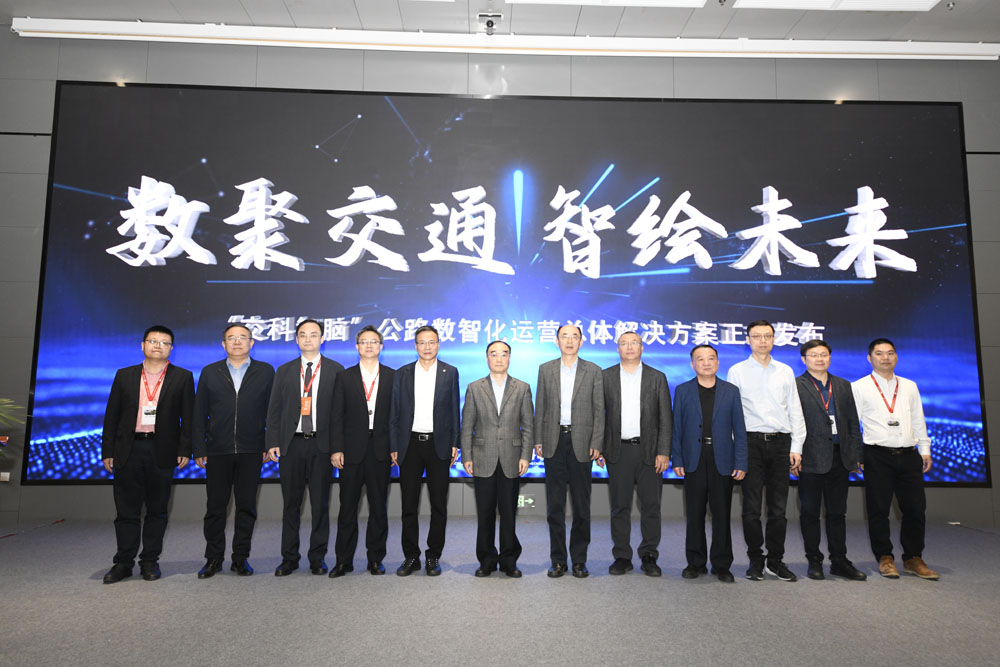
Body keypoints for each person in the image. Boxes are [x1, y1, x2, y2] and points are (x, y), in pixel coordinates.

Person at [100, 325, 194, 584]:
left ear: (171, 348)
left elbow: (188, 418)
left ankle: (150, 561)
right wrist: (108, 450)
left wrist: (185, 449)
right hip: (128, 449)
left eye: (164, 342)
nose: (158, 346)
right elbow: (111, 415)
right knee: (126, 510)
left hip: (162, 450)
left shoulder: (183, 377)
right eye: (153, 341)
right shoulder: (124, 375)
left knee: (157, 510)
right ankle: (123, 562)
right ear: (142, 345)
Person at [192, 323, 275, 578]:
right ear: (223, 344)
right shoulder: (210, 371)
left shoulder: (265, 371)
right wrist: (199, 447)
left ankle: (240, 558)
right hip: (218, 450)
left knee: (246, 507)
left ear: (252, 343)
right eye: (231, 338)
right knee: (215, 508)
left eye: (242, 337)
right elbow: (199, 413)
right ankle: (213, 558)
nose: (237, 342)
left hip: (252, 450)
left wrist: (267, 443)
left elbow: (272, 413)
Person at [851, 338, 938, 580]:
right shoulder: (859, 387)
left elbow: (918, 418)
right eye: (879, 353)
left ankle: (913, 558)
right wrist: (857, 454)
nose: (885, 357)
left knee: (915, 509)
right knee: (878, 509)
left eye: (890, 353)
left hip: (909, 454)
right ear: (870, 358)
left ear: (896, 357)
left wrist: (924, 448)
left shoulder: (909, 386)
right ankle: (885, 557)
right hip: (876, 455)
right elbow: (853, 424)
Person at [726, 319, 805, 582]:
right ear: (747, 340)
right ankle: (755, 559)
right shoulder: (737, 371)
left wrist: (796, 446)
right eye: (757, 336)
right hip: (750, 443)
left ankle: (776, 560)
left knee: (778, 509)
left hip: (781, 444)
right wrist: (737, 450)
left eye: (767, 336)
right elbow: (733, 414)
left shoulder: (785, 371)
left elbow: (795, 410)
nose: (762, 341)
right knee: (751, 509)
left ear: (774, 339)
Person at [266, 319, 343, 577]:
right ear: (296, 339)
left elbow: (339, 414)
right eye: (303, 335)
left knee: (320, 504)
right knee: (291, 504)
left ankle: (317, 558)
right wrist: (273, 442)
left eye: (313, 334)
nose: (308, 339)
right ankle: (289, 558)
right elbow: (274, 410)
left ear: (322, 339)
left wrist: (337, 447)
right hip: (291, 445)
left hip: (322, 446)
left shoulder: (336, 370)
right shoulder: (284, 370)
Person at [672, 344, 747, 583]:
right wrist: (677, 458)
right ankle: (695, 562)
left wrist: (741, 461)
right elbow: (677, 428)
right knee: (694, 514)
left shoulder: (731, 391)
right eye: (700, 359)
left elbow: (740, 429)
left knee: (721, 514)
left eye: (711, 358)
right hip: (694, 458)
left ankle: (722, 565)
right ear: (692, 364)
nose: (706, 363)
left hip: (722, 458)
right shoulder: (683, 390)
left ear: (717, 362)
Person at [534, 323, 604, 578]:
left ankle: (579, 561)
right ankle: (558, 560)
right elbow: (540, 406)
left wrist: (597, 442)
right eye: (565, 336)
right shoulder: (546, 369)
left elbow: (599, 410)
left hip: (582, 443)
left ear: (581, 341)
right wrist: (538, 439)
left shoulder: (593, 370)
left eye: (575, 336)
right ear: (557, 341)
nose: (570, 340)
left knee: (581, 506)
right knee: (555, 507)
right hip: (554, 441)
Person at [389, 325, 460, 576]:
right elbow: (394, 412)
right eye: (422, 342)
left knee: (438, 504)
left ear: (438, 344)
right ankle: (411, 556)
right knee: (409, 504)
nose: (427, 347)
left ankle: (433, 556)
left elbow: (454, 410)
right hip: (409, 445)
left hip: (438, 445)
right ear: (415, 346)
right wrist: (394, 446)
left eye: (431, 342)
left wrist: (455, 443)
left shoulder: (450, 372)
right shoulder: (403, 373)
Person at [460, 340, 534, 578]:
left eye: (504, 354)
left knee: (509, 513)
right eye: (494, 354)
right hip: (483, 457)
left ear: (509, 358)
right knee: (485, 513)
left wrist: (526, 455)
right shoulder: (474, 387)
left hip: (512, 458)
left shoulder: (522, 388)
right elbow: (467, 425)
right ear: (487, 358)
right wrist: (466, 455)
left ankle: (509, 560)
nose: (499, 358)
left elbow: (528, 426)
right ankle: (487, 560)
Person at [794, 340, 866, 581]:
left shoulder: (843, 385)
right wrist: (793, 454)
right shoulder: (796, 385)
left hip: (840, 458)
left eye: (824, 354)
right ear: (804, 359)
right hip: (810, 458)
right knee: (810, 513)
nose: (819, 359)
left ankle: (839, 561)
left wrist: (856, 454)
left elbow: (853, 423)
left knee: (837, 513)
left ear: (830, 358)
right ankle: (814, 560)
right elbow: (792, 422)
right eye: (814, 355)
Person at [602, 331, 672, 577]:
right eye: (624, 343)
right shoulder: (605, 376)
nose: (629, 347)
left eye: (634, 343)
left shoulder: (657, 377)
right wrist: (599, 447)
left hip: (650, 452)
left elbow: (666, 418)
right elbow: (599, 415)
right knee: (619, 506)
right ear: (618, 349)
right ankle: (622, 556)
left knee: (651, 506)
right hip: (617, 450)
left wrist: (663, 451)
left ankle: (649, 555)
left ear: (642, 348)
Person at [329, 325, 395, 577]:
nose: (369, 346)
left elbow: (397, 417)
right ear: (357, 347)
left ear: (381, 346)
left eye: (373, 342)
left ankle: (375, 559)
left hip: (381, 450)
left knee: (379, 508)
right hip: (351, 451)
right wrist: (336, 448)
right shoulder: (344, 377)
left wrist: (395, 448)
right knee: (347, 508)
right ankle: (343, 561)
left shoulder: (392, 376)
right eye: (364, 342)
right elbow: (336, 415)